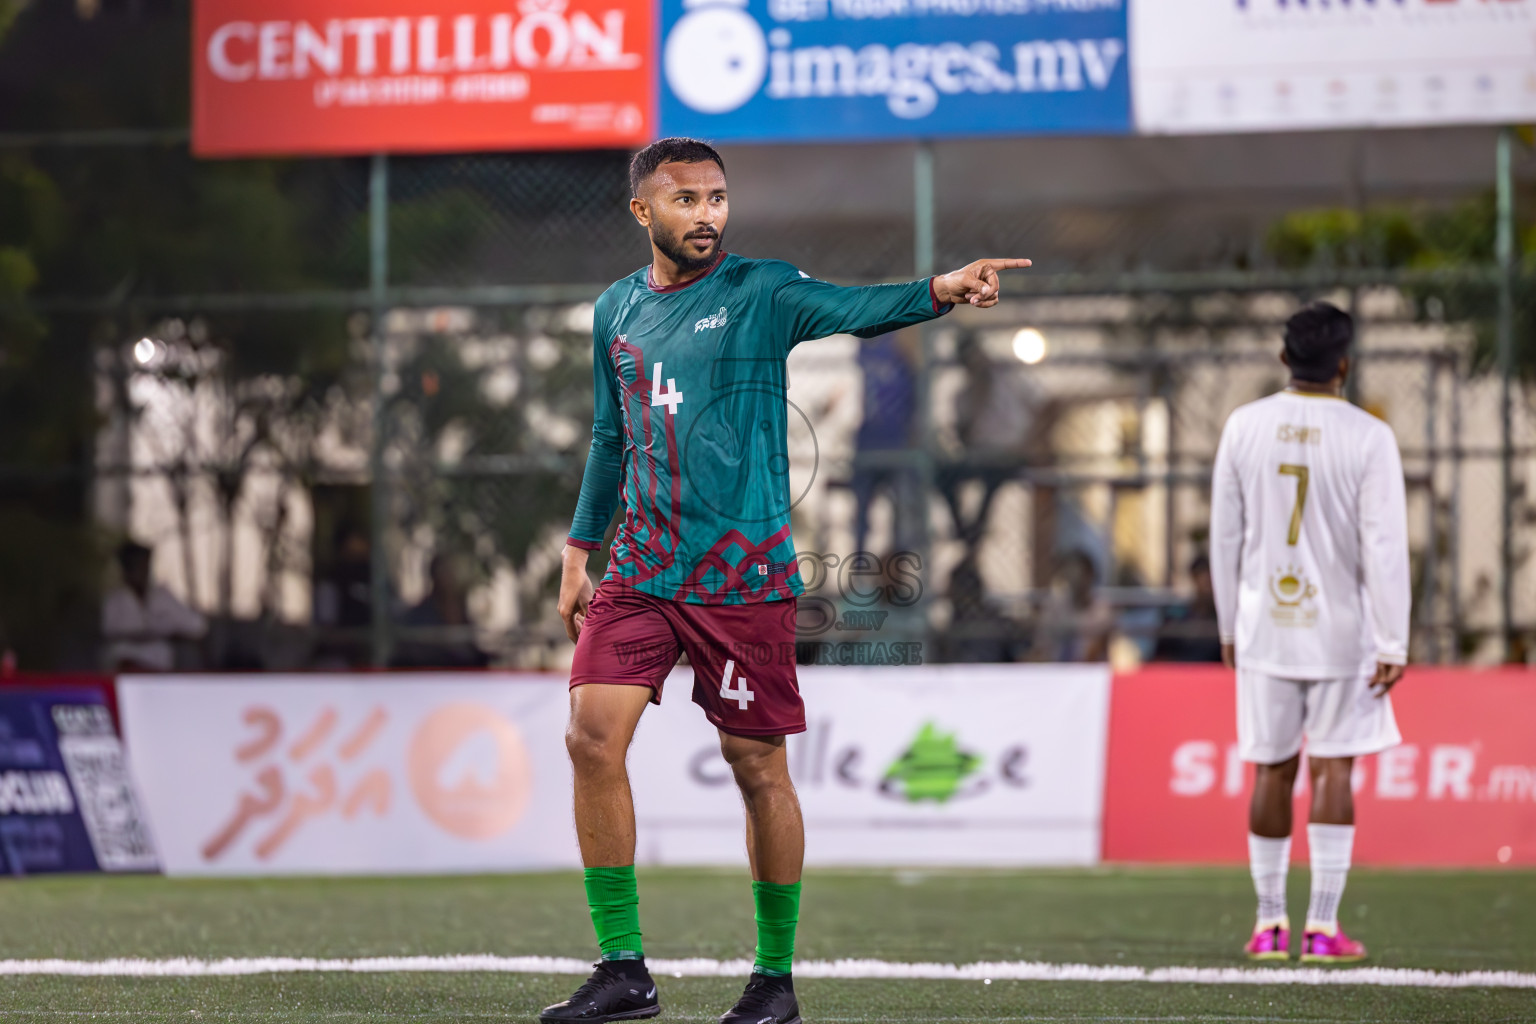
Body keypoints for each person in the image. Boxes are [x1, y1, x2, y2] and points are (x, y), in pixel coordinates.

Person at [549, 137, 1030, 1024]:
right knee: (590, 738)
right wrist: (582, 549)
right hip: (643, 572)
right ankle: (624, 970)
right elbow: (610, 436)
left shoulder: (760, 292)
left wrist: (941, 290)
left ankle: (774, 980)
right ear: (642, 212)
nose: (707, 215)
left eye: (718, 198)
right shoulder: (614, 310)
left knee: (756, 764)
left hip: (738, 579)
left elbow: (852, 307)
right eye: (686, 200)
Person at [1210, 301, 1409, 965]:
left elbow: (1225, 534)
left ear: (1283, 357)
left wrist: (1225, 621)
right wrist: (1394, 638)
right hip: (1341, 632)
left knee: (1270, 768)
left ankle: (1269, 924)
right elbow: (1385, 544)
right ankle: (1322, 927)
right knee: (1333, 768)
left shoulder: (1245, 425)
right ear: (1345, 365)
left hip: (1264, 624)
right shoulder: (1368, 435)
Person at [938, 333, 1034, 555]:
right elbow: (964, 438)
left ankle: (977, 527)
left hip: (1010, 453)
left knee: (994, 474)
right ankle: (963, 527)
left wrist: (1029, 443)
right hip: (981, 455)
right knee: (944, 474)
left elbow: (1042, 407)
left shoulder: (1009, 380)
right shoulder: (963, 395)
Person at [101, 540, 207, 672]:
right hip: (124, 666)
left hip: (159, 668)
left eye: (143, 564)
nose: (140, 570)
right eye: (133, 564)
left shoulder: (163, 597)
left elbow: (198, 627)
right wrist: (148, 634)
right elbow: (109, 632)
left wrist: (173, 634)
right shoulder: (115, 600)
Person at [1031, 549, 1114, 663]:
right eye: (1070, 572)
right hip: (1055, 668)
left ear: (1090, 575)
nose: (1075, 578)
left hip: (1088, 669)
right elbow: (1043, 643)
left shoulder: (1101, 609)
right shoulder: (1055, 605)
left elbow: (1101, 643)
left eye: (1079, 572)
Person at [1152, 554, 1224, 663]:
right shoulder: (1177, 616)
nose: (1207, 582)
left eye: (1210, 576)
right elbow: (1161, 655)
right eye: (1202, 576)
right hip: (1180, 673)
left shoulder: (1222, 619)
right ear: (1193, 578)